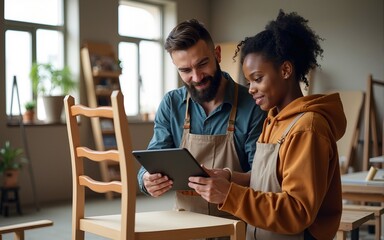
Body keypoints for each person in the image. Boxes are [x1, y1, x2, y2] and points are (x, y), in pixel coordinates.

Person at [188, 10, 347, 240]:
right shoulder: (274, 120)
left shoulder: (307, 128)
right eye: (248, 81)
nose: (251, 88)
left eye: (257, 78)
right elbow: (267, 180)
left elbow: (297, 211)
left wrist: (230, 195)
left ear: (285, 70)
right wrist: (228, 177)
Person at [137, 18, 267, 220]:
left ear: (217, 54)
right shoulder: (172, 104)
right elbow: (153, 159)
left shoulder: (252, 105)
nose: (197, 77)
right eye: (185, 70)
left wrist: (228, 181)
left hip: (237, 225)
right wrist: (147, 180)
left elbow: (262, 178)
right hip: (185, 224)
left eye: (202, 64)